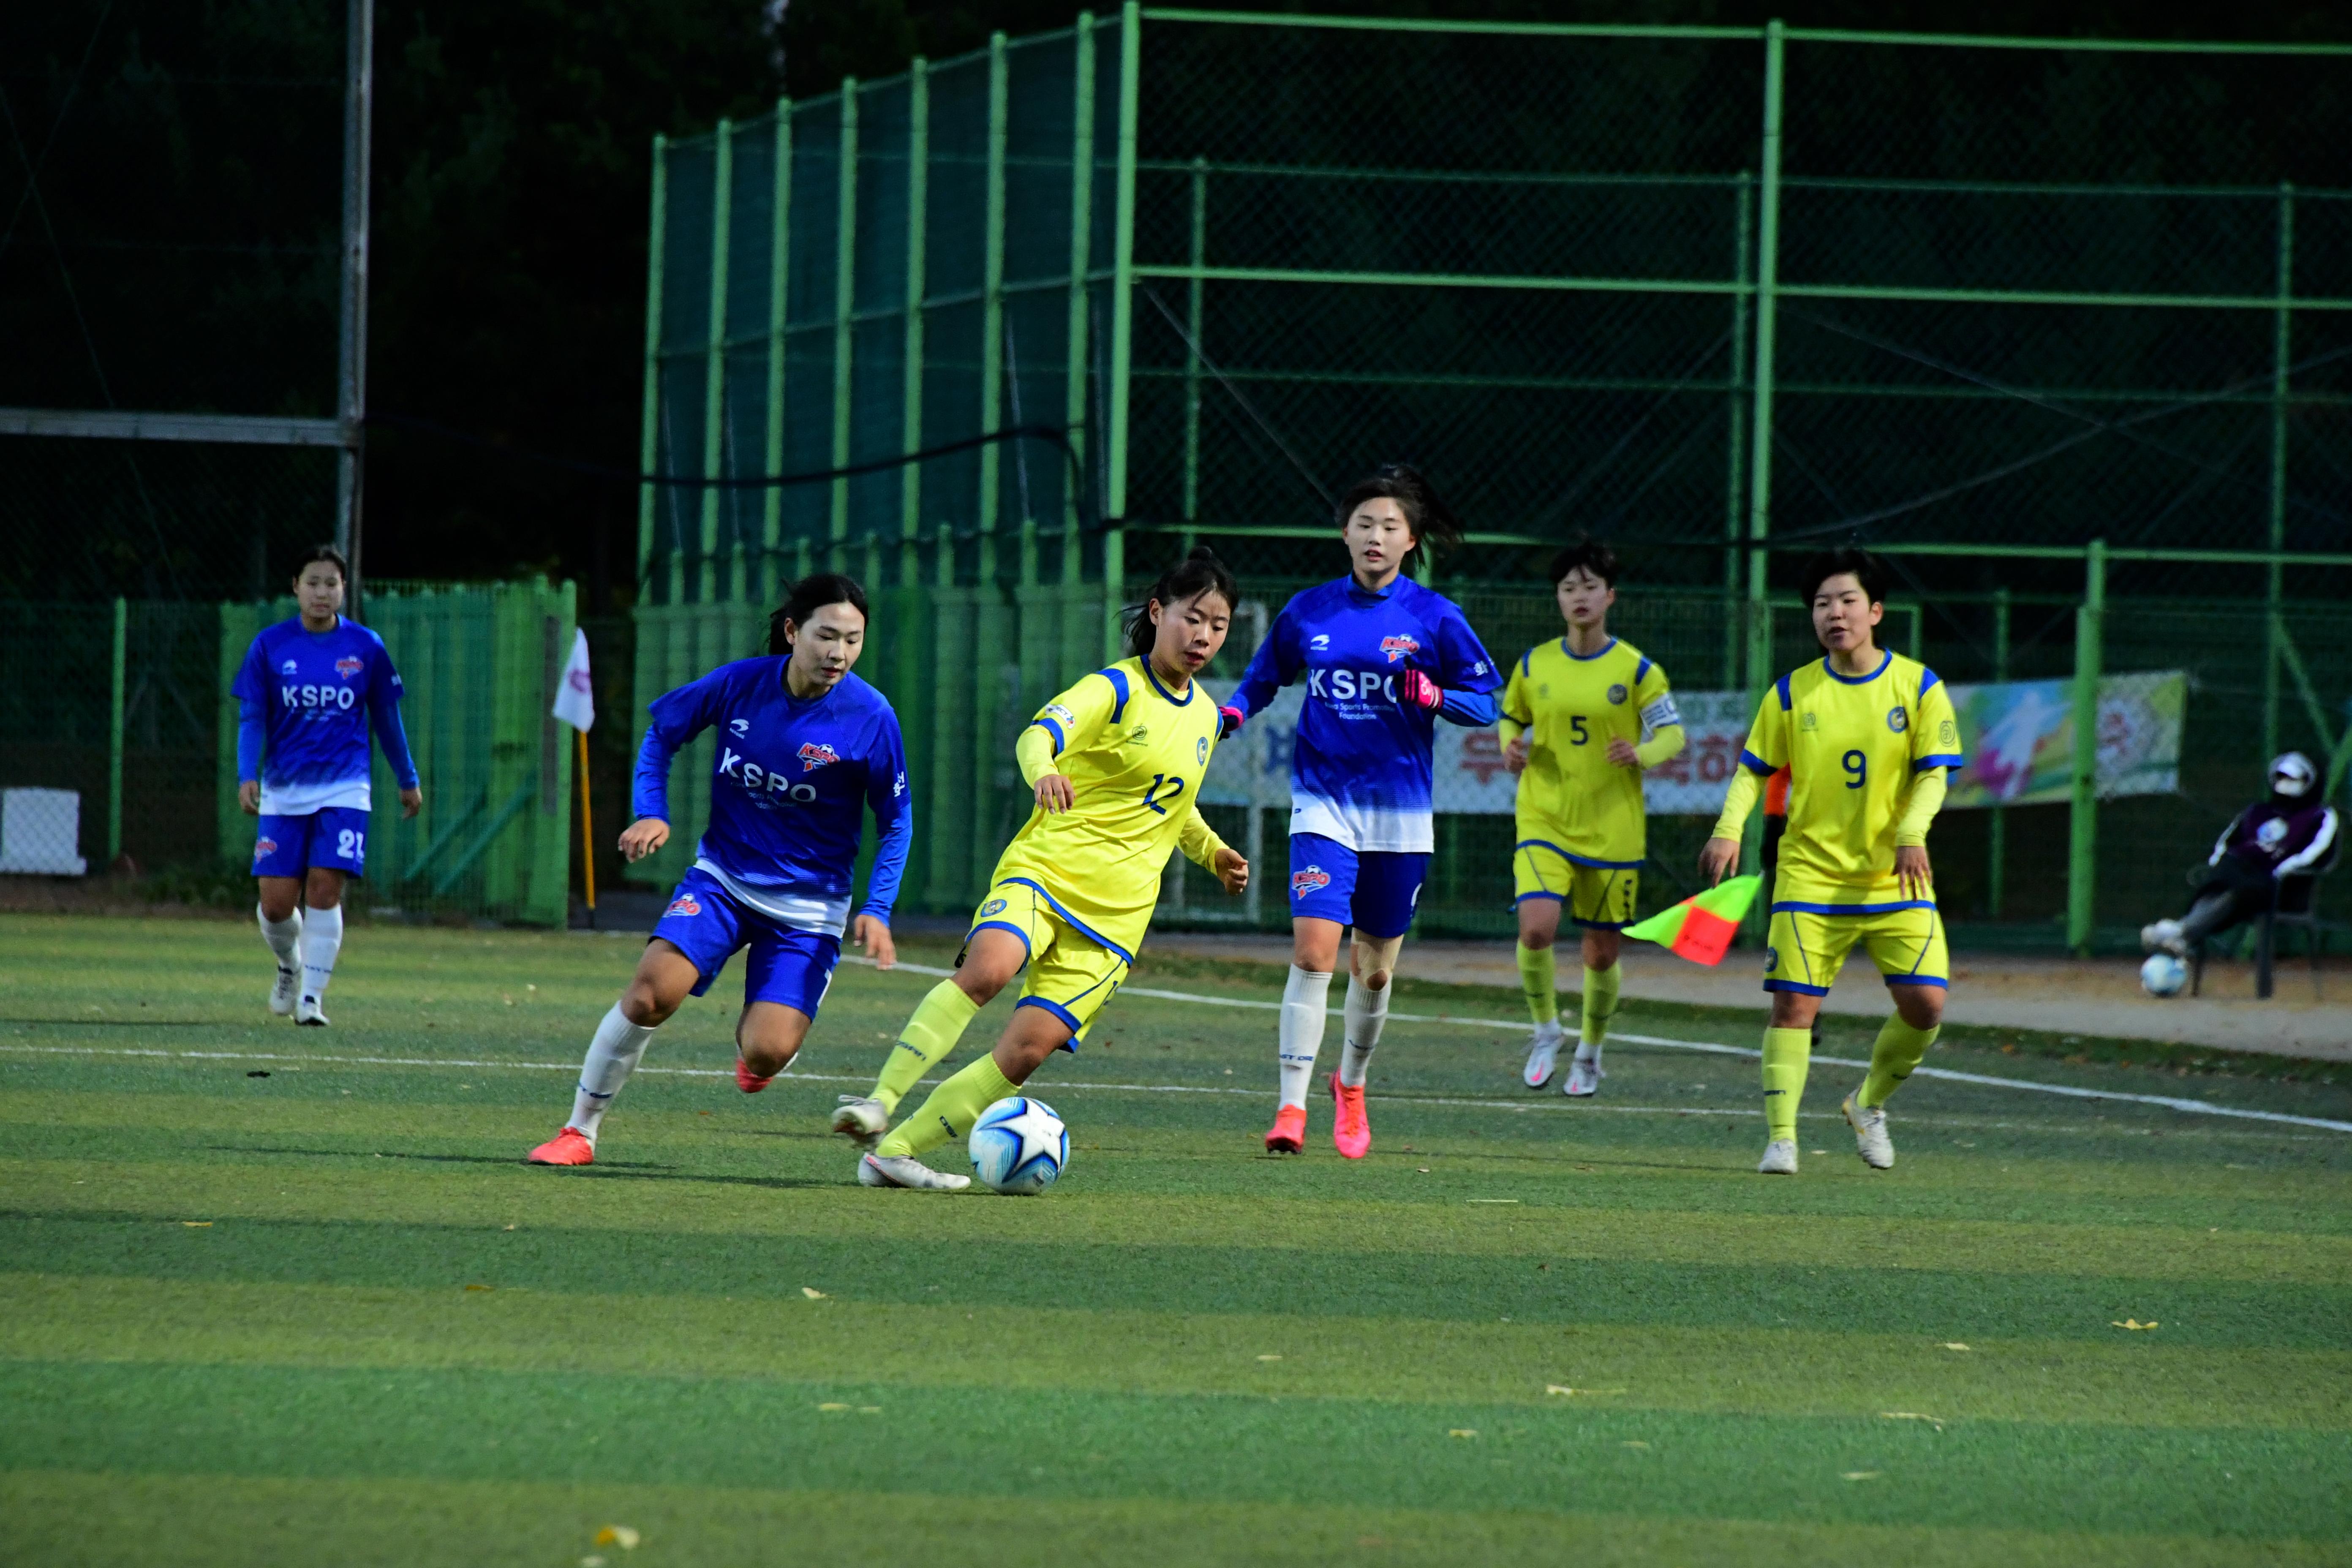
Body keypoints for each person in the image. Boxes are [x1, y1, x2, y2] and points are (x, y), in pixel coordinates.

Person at [830, 547, 1250, 1190]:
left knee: (1025, 1052)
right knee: (988, 970)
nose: (1204, 637)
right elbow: (1038, 735)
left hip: (1117, 922)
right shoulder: (1113, 688)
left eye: (1218, 625)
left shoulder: (1204, 716)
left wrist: (1214, 852)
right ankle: (879, 1102)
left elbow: (1174, 809)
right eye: (1194, 618)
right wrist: (1045, 771)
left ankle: (896, 1152)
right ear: (1160, 612)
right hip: (1047, 873)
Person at [525, 574, 909, 1168]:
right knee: (651, 994)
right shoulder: (739, 684)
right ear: (791, 631)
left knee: (767, 1052)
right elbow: (661, 736)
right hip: (722, 881)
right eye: (826, 636)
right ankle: (579, 1131)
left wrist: (878, 909)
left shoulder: (871, 717)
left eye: (853, 641)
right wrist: (652, 812)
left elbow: (897, 821)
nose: (838, 653)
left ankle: (758, 1056)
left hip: (809, 911)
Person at [1221, 465, 1503, 1159]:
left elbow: (1487, 702)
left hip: (1399, 817)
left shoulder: (1436, 618)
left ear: (1411, 540)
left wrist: (1434, 696)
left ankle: (1350, 1084)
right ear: (1343, 532)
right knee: (1312, 953)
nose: (1375, 535)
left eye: (1390, 526)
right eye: (1364, 523)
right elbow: (1262, 679)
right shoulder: (1308, 611)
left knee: (1372, 970)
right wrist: (1230, 711)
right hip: (1323, 806)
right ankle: (1289, 1109)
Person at [1697, 548, 1963, 1176]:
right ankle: (1782, 1139)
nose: (1834, 614)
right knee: (1794, 1007)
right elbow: (1751, 771)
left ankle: (1868, 1105)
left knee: (1927, 1007)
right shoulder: (1791, 692)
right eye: (1821, 604)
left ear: (1875, 610)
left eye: (1846, 601)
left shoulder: (1920, 687)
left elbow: (1935, 777)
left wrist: (1911, 831)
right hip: (1810, 875)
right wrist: (1728, 829)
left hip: (1895, 878)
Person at [1501, 536, 1685, 1097]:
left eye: (1588, 587)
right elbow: (1512, 717)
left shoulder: (1637, 670)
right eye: (1567, 587)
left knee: (1602, 950)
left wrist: (1643, 752)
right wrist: (1512, 745)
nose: (1578, 596)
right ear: (1558, 599)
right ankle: (1545, 1030)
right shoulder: (1535, 664)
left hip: (1613, 827)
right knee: (1537, 929)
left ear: (1610, 596)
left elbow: (1674, 734)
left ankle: (1591, 1049)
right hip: (1544, 818)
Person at [233, 545, 422, 1026]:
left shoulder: (366, 647)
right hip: (284, 789)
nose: (322, 592)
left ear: (343, 590)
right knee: (276, 906)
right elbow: (253, 716)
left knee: (324, 890)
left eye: (331, 584)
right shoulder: (270, 645)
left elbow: (386, 717)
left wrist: (408, 778)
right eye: (313, 582)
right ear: (295, 587)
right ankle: (290, 967)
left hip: (345, 789)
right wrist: (246, 774)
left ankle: (312, 998)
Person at [2141, 752, 2338, 957]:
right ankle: (2183, 936)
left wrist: (2279, 872)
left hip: (2282, 888)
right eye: (2282, 777)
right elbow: (2227, 845)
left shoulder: (2320, 816)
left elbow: (2314, 854)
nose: (2286, 783)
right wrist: (2219, 865)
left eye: (2293, 779)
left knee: (2242, 891)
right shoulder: (2256, 812)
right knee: (2221, 880)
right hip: (2241, 876)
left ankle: (2183, 932)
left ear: (2310, 782)